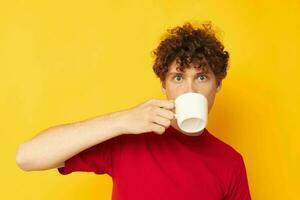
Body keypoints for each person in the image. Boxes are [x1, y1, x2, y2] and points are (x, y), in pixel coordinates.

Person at [16, 22, 251, 200]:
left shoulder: (230, 163)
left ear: (217, 84)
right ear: (163, 85)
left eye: (201, 77)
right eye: (178, 77)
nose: (190, 89)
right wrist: (121, 121)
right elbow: (27, 157)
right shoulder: (129, 138)